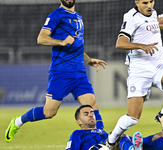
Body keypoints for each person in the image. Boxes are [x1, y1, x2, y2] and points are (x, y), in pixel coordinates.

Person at [5, 0, 107, 143]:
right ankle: (18, 121)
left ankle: (103, 139)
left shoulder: (79, 17)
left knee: (92, 105)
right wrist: (61, 42)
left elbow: (76, 46)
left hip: (79, 72)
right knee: (49, 112)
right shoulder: (56, 15)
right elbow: (41, 38)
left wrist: (88, 60)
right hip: (61, 72)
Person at [106, 0, 163, 149]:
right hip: (140, 70)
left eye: (151, 1)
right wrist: (141, 46)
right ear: (137, 2)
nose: (149, 5)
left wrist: (160, 26)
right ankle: (110, 143)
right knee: (132, 118)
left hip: (159, 65)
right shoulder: (130, 17)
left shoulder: (154, 13)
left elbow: (146, 30)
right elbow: (120, 42)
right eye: (145, 2)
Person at [66, 105, 163, 150]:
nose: (91, 114)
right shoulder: (77, 134)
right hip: (106, 147)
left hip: (122, 144)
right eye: (86, 114)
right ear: (78, 121)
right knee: (120, 136)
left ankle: (133, 148)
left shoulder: (100, 130)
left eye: (92, 112)